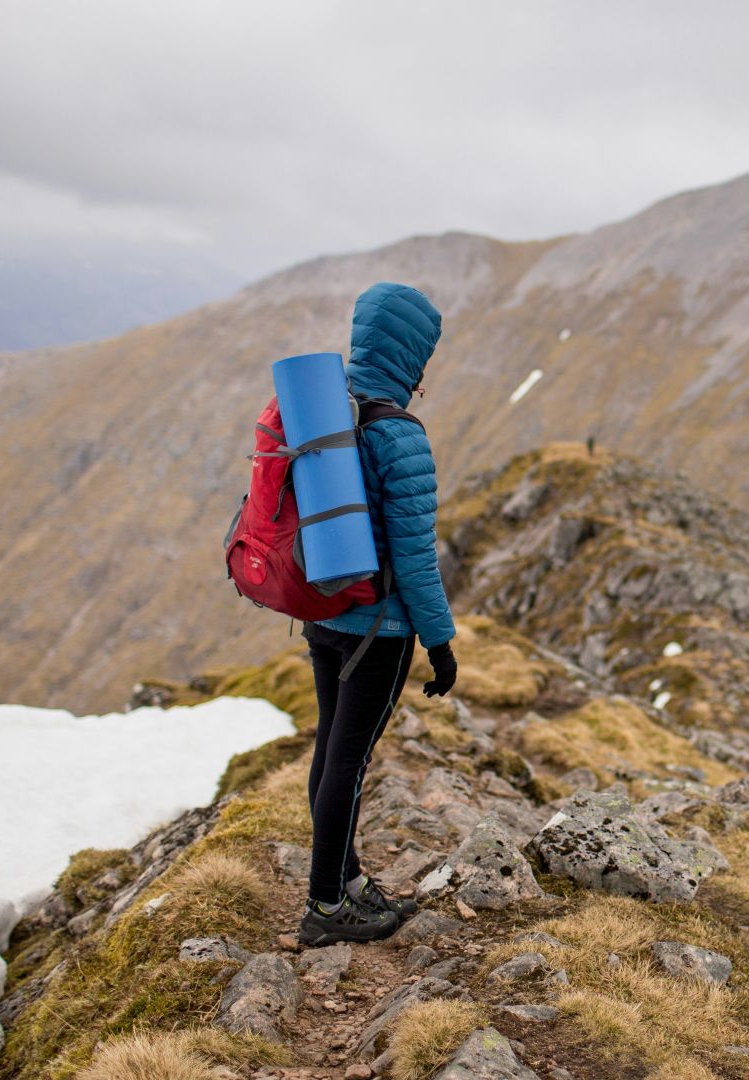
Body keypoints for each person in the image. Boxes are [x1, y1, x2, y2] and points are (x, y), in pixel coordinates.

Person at [298, 282, 458, 946]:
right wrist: (440, 643)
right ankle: (328, 909)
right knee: (349, 762)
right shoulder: (399, 436)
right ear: (411, 357)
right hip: (379, 631)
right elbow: (417, 559)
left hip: (323, 615)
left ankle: (348, 881)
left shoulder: (324, 416)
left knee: (331, 751)